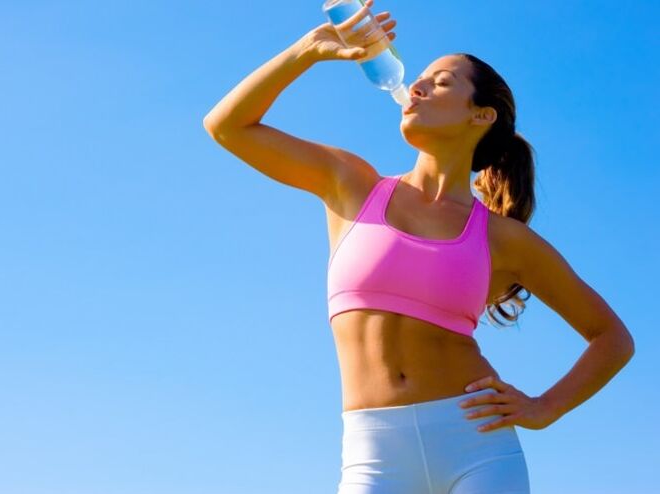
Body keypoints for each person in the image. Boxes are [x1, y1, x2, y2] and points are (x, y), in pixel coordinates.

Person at [203, 1, 634, 492]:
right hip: (373, 453)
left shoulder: (503, 237)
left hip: (479, 447)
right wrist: (308, 51)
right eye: (421, 77)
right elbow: (226, 126)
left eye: (443, 81)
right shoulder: (352, 185)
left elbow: (611, 338)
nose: (419, 85)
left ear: (481, 115)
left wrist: (544, 407)